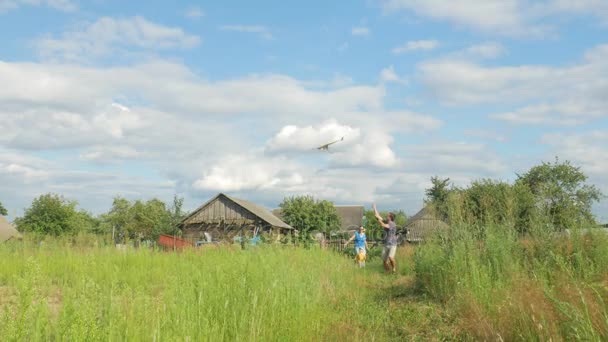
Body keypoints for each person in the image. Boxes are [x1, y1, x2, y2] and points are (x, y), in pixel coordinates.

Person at [373, 203, 397, 273]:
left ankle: (394, 269)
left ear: (390, 217)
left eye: (387, 216)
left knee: (391, 257)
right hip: (386, 244)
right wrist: (374, 208)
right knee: (384, 261)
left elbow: (383, 224)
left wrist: (378, 220)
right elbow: (378, 216)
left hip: (392, 244)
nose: (386, 216)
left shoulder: (392, 223)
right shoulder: (387, 221)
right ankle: (388, 272)